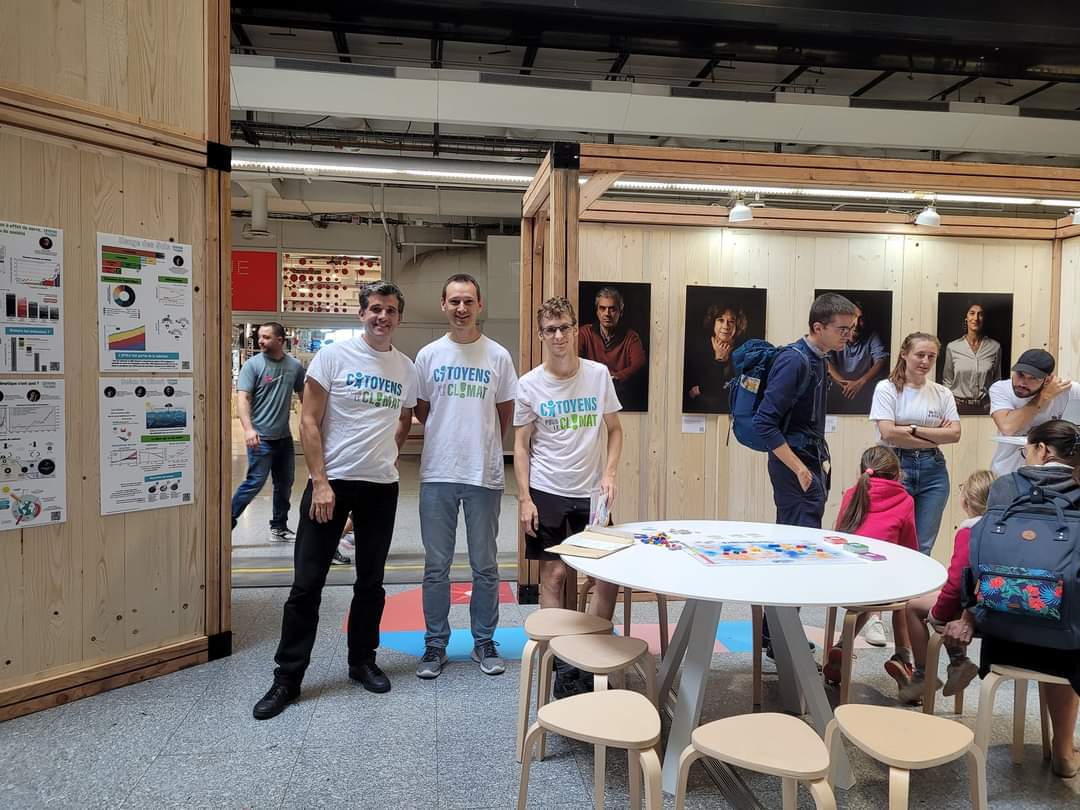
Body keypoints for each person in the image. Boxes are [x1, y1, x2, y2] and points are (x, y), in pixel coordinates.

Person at [253, 282, 419, 720]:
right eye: (375, 309)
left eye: (391, 311)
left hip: (380, 487)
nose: (383, 317)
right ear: (362, 313)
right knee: (307, 584)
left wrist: (389, 453)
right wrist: (320, 482)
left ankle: (361, 660)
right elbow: (309, 421)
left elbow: (404, 419)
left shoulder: (405, 367)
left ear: (399, 318)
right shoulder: (333, 357)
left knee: (371, 582)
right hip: (333, 485)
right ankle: (287, 677)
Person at [945, 420, 1080, 778]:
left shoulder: (1005, 487)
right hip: (1067, 635)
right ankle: (1064, 751)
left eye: (1026, 449)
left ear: (1041, 450)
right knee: (1066, 639)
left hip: (1003, 628)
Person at [514, 296, 623, 697]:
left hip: (593, 493)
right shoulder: (528, 384)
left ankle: (593, 651)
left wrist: (610, 473)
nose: (558, 335)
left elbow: (615, 430)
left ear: (576, 329)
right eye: (550, 329)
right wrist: (525, 498)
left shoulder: (598, 375)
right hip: (548, 490)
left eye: (564, 327)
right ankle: (560, 657)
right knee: (555, 575)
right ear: (542, 335)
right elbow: (521, 446)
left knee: (604, 578)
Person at [413, 273, 517, 680]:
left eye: (468, 301)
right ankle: (435, 644)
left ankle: (483, 641)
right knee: (436, 566)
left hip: (483, 474)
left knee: (485, 566)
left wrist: (483, 441)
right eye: (454, 301)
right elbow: (423, 410)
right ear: (443, 305)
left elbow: (505, 412)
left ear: (480, 306)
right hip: (437, 472)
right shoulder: (428, 355)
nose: (461, 308)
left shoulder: (498, 356)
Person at [752, 293, 856, 658]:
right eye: (842, 329)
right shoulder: (793, 362)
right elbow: (765, 424)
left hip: (808, 462)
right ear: (818, 327)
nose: (848, 336)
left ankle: (776, 636)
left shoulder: (818, 360)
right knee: (796, 555)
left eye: (851, 329)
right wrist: (798, 469)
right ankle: (782, 639)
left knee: (795, 551)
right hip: (795, 468)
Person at [822, 446, 918, 694]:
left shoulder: (852, 494)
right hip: (879, 584)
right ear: (897, 475)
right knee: (905, 597)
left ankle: (843, 648)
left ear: (862, 471)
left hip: (843, 579)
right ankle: (904, 659)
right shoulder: (905, 500)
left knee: (869, 592)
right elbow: (910, 550)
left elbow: (837, 534)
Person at [901, 469, 994, 704]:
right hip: (997, 603)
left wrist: (937, 614)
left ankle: (923, 675)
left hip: (976, 608)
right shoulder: (1001, 527)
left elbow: (956, 582)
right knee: (943, 600)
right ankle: (957, 664)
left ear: (965, 501)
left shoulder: (969, 531)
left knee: (914, 607)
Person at [869, 332, 961, 555]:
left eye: (931, 356)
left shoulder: (942, 392)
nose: (925, 362)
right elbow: (888, 432)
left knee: (923, 545)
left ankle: (917, 591)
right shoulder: (887, 388)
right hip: (895, 465)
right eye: (920, 355)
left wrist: (911, 428)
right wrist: (936, 433)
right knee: (890, 541)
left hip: (933, 469)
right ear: (904, 354)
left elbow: (955, 434)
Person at [230, 322, 306, 540]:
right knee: (254, 482)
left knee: (284, 484)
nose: (260, 341)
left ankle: (279, 526)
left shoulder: (295, 367)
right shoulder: (253, 365)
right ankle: (225, 522)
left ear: (280, 340)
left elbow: (304, 398)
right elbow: (243, 398)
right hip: (260, 438)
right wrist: (248, 429)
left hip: (284, 439)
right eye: (259, 337)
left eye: (266, 337)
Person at [989, 349, 1080, 477]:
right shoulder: (1001, 388)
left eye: (1032, 378)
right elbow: (1007, 427)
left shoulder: (1068, 390)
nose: (1022, 383)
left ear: (1047, 381)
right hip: (1008, 472)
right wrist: (1043, 397)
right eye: (1020, 374)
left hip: (1050, 477)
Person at [577, 286, 647, 409]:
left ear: (621, 312)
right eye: (602, 308)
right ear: (597, 311)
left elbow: (639, 364)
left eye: (612, 309)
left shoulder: (631, 337)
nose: (607, 314)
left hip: (620, 397)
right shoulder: (583, 333)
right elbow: (574, 360)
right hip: (590, 397)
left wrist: (615, 377)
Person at [684, 303, 750, 412]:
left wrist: (702, 389)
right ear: (713, 322)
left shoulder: (745, 350)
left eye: (731, 321)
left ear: (737, 325)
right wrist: (719, 360)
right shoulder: (697, 348)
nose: (726, 326)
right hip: (702, 409)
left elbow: (747, 388)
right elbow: (693, 389)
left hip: (731, 409)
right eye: (720, 320)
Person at [825, 301, 888, 410]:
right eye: (852, 317)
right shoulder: (834, 334)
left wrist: (860, 382)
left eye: (861, 319)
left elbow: (881, 360)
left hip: (864, 394)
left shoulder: (872, 336)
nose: (857, 324)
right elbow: (824, 359)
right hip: (836, 394)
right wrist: (844, 384)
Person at [942, 302, 1001, 412]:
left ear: (984, 319)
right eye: (972, 313)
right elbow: (947, 380)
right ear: (966, 318)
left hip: (985, 407)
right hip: (957, 407)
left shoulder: (995, 347)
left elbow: (997, 380)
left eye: (980, 314)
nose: (976, 318)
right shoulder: (953, 347)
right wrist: (950, 402)